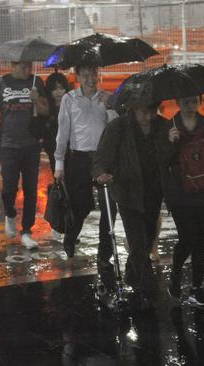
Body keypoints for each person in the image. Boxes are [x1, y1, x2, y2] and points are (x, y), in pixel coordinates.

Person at [92, 98, 169, 304]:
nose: (148, 117)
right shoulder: (118, 127)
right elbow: (101, 157)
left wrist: (172, 141)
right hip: (127, 191)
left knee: (148, 235)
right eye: (144, 112)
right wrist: (101, 174)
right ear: (134, 109)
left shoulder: (163, 126)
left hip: (153, 191)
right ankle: (148, 289)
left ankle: (132, 274)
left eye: (152, 112)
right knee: (137, 241)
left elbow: (169, 157)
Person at [158, 95, 204, 306]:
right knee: (188, 238)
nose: (190, 104)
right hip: (181, 193)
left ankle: (197, 286)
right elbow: (163, 162)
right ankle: (176, 272)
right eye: (186, 100)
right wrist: (171, 143)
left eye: (194, 100)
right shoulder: (170, 126)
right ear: (178, 102)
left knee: (202, 240)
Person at [54, 64, 118, 273]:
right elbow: (62, 132)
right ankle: (71, 236)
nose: (91, 79)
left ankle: (104, 254)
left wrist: (110, 106)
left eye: (93, 74)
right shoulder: (69, 99)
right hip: (78, 159)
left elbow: (116, 128)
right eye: (85, 75)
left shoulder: (107, 98)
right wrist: (59, 163)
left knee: (109, 208)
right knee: (79, 206)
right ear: (78, 77)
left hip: (102, 159)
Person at [0, 60, 49, 249]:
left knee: (30, 189)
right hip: (9, 145)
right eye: (23, 66)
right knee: (9, 189)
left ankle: (27, 231)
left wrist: (36, 99)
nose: (27, 69)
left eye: (29, 66)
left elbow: (45, 111)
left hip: (31, 145)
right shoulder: (0, 84)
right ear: (13, 64)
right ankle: (10, 214)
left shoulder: (37, 82)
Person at [43, 72, 70, 242]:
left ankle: (70, 226)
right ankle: (56, 223)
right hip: (55, 152)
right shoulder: (47, 110)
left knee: (71, 190)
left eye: (62, 88)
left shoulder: (72, 106)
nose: (59, 92)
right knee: (59, 188)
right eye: (55, 89)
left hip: (72, 151)